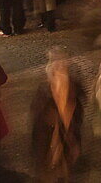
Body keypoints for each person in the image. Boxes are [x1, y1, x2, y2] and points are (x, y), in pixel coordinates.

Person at [32, 47, 84, 181]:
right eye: (57, 70)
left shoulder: (74, 91)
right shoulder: (43, 96)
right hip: (49, 151)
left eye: (64, 69)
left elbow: (77, 118)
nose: (61, 75)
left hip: (68, 148)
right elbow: (38, 131)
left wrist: (74, 142)